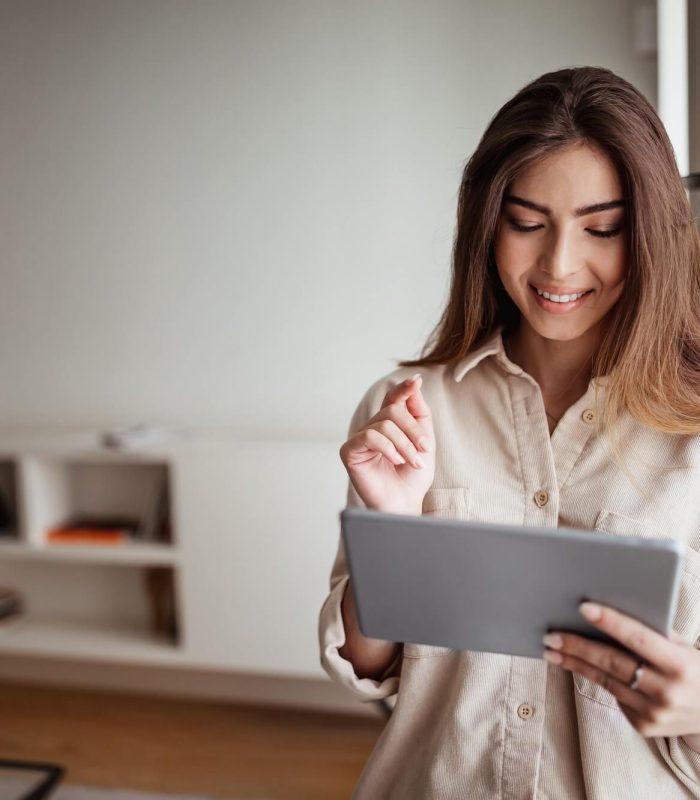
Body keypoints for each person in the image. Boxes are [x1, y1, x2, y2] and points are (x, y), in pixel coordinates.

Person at [317, 66, 700, 799]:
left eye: (603, 229)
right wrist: (391, 529)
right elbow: (370, 669)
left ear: (650, 232)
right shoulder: (410, 406)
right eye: (526, 222)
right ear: (486, 223)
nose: (558, 264)